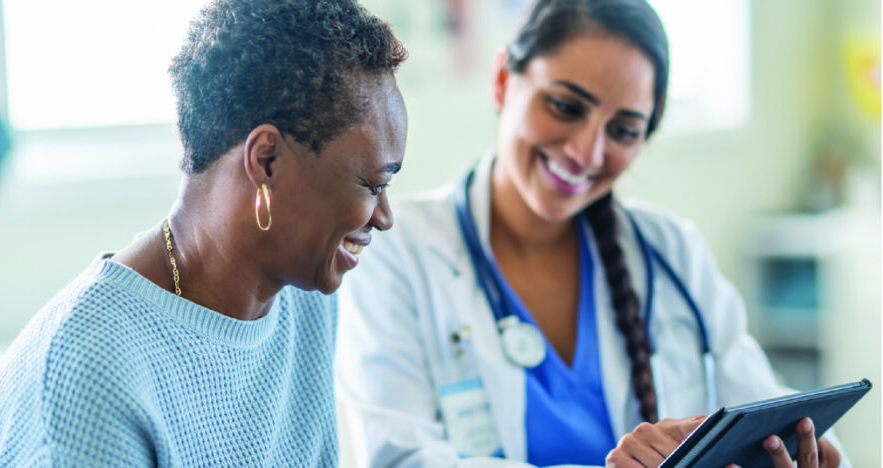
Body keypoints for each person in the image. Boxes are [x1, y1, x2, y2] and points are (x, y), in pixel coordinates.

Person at [334, 0, 848, 467]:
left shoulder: (670, 251)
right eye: (565, 106)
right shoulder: (397, 252)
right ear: (501, 79)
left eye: (622, 130)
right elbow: (400, 457)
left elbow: (760, 406)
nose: (586, 152)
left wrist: (807, 451)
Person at [0, 0, 408, 465]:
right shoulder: (93, 371)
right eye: (373, 185)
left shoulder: (305, 292)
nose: (384, 216)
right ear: (266, 160)